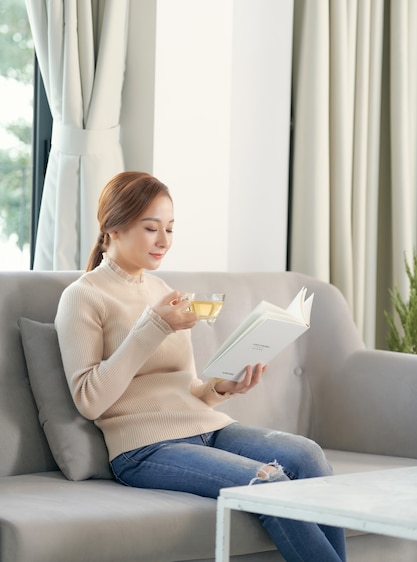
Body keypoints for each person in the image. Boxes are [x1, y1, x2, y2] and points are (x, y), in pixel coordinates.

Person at [55, 171, 346, 562]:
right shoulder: (83, 296)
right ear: (114, 228)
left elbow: (187, 387)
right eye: (151, 228)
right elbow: (89, 400)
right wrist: (153, 327)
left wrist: (221, 387)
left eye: (170, 229)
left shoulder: (161, 292)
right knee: (268, 481)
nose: (164, 242)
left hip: (207, 428)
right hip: (144, 448)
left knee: (307, 455)